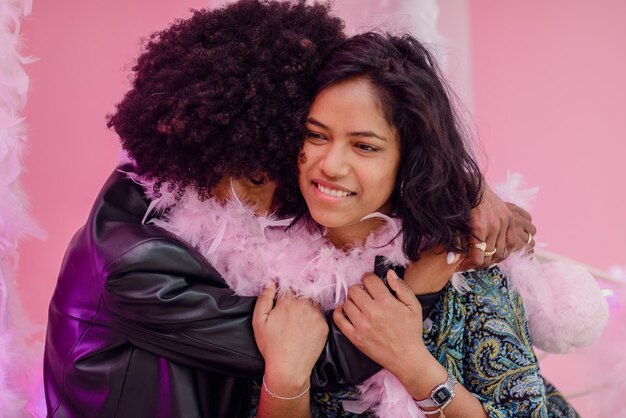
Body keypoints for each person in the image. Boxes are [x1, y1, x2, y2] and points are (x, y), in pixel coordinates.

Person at [43, 2, 537, 418]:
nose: (269, 201)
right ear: (199, 155)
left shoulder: (471, 282)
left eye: (279, 167)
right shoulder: (137, 262)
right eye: (314, 137)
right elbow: (315, 358)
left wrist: (465, 187)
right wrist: (425, 280)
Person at [250, 32, 579, 417]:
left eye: (365, 146)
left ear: (409, 161)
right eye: (316, 135)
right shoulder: (256, 268)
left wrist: (411, 362)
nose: (331, 165)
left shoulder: (462, 262)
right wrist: (286, 380)